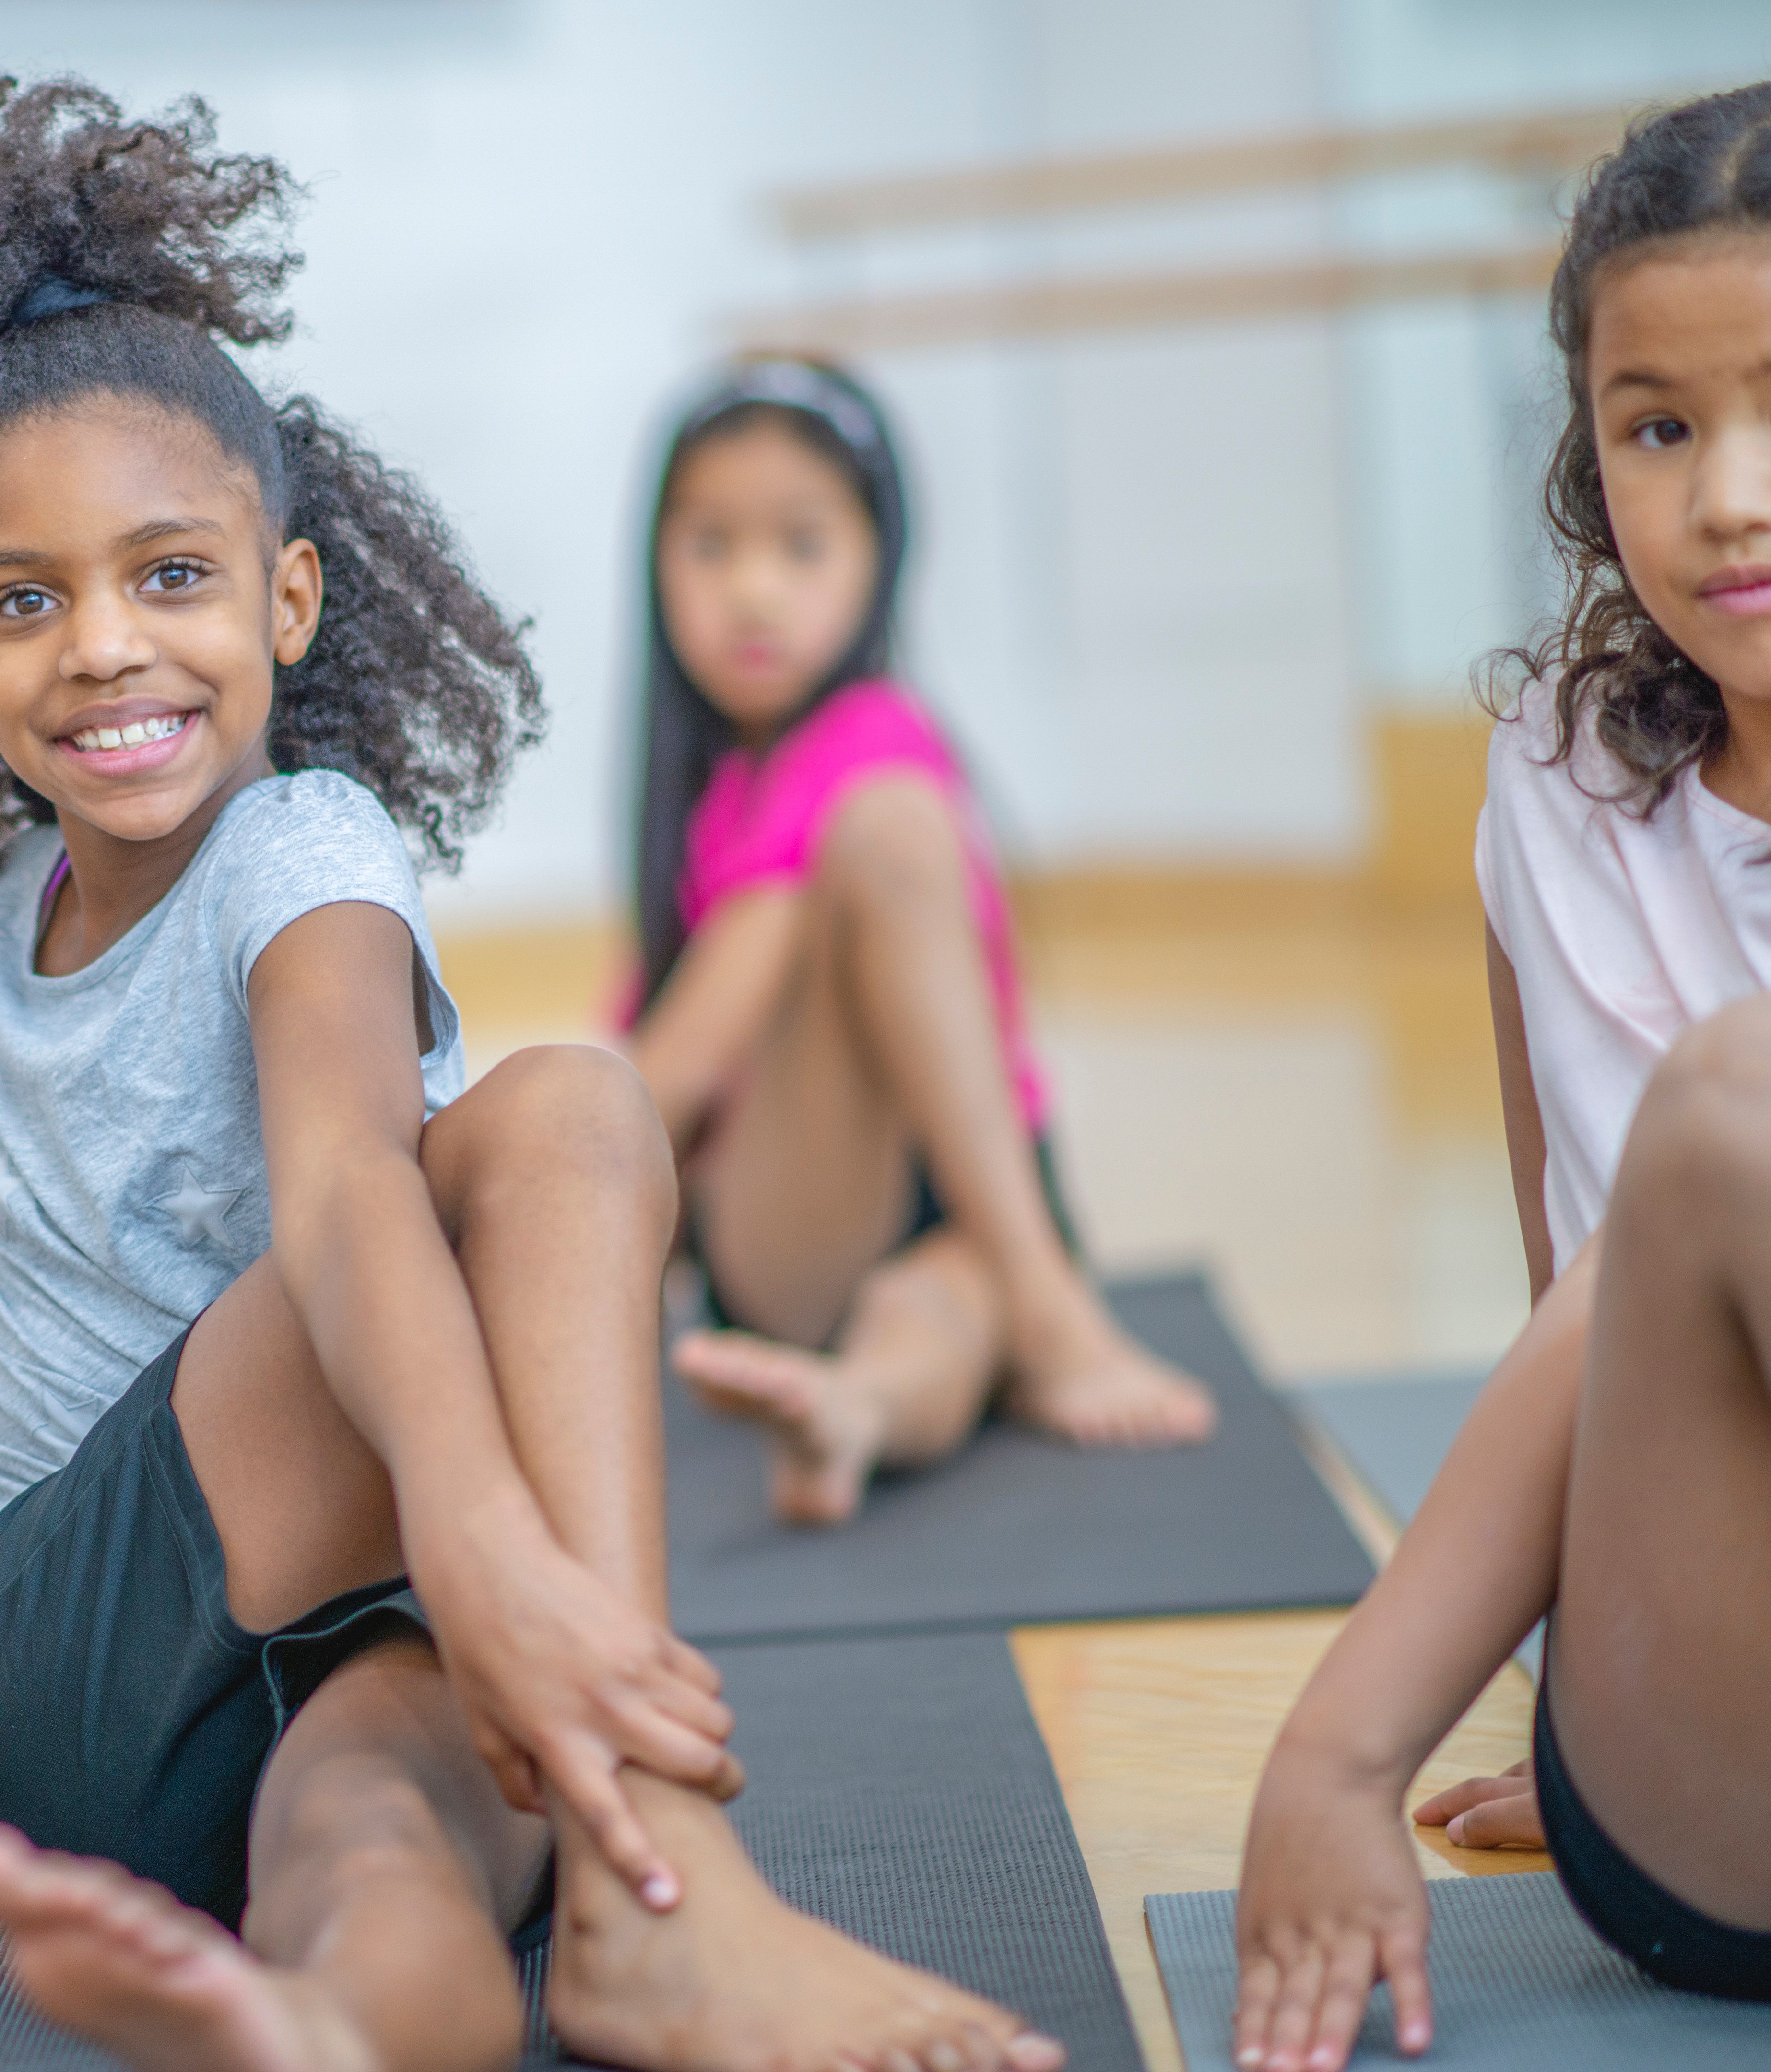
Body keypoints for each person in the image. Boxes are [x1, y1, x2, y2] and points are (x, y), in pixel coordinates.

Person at [0, 78, 1065, 2072]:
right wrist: (481, 1535)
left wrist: (468, 1597)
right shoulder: (222, 866)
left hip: (274, 1685)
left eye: (170, 576)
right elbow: (351, 1185)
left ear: (287, 596)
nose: (105, 646)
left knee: (382, 1842)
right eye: (28, 604)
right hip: (63, 1632)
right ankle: (680, 1873)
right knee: (559, 1111)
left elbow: (359, 1185)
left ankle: (346, 2013)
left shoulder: (294, 845)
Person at [1229, 83, 1771, 2072]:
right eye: (1659, 426)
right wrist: (1618, 1650)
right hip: (1716, 1764)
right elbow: (1591, 1298)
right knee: (1726, 1115)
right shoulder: (1562, 779)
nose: (1728, 492)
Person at [619, 360, 1215, 1525]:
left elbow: (666, 1078)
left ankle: (860, 1411)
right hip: (810, 1210)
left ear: (875, 562)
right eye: (709, 547)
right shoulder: (717, 793)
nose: (751, 593)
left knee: (939, 1314)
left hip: (968, 1207)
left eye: (799, 547)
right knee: (884, 828)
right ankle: (1040, 1310)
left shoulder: (868, 738)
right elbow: (672, 1068)